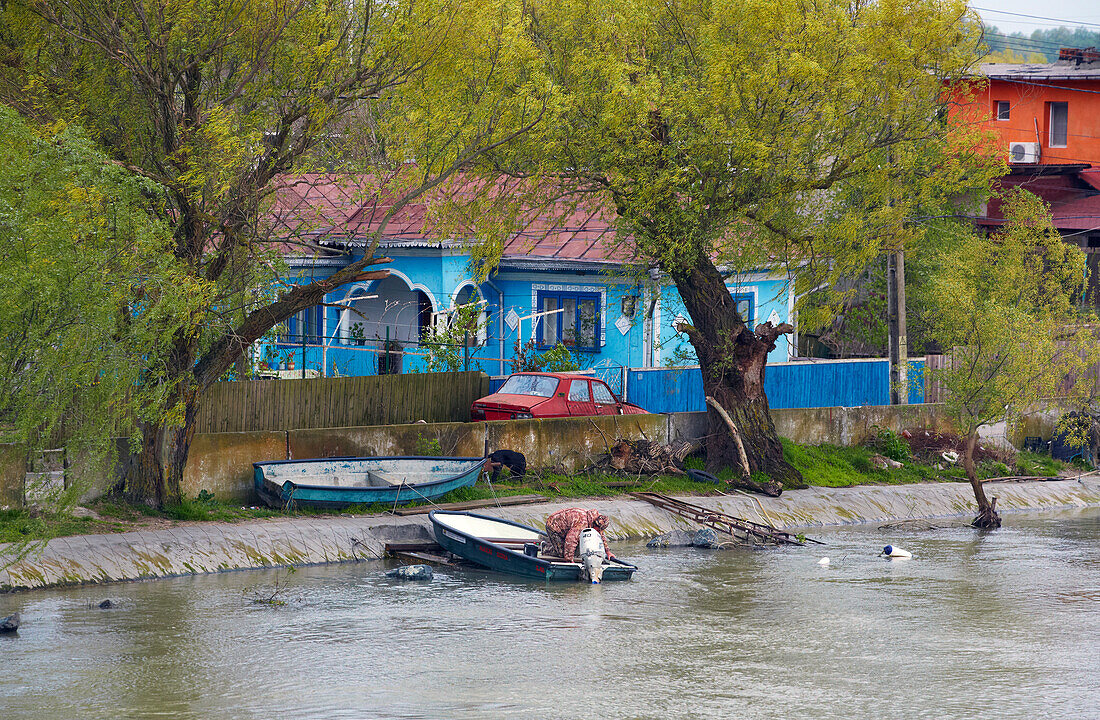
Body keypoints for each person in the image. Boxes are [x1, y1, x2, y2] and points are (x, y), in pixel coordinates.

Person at [543, 508, 615, 563]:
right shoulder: (582, 523)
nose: (598, 531)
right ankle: (545, 548)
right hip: (553, 526)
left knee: (574, 550)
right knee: (563, 553)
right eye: (597, 529)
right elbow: (571, 540)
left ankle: (555, 545)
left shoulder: (597, 519)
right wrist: (569, 560)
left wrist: (607, 551)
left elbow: (601, 535)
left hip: (566, 527)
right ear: (595, 524)